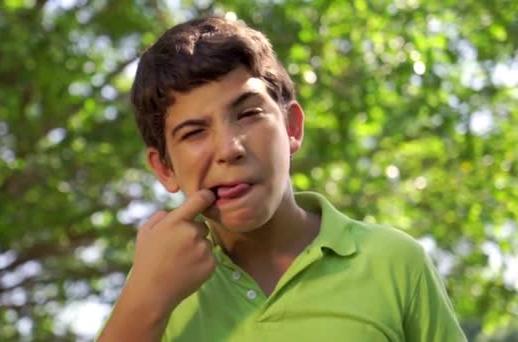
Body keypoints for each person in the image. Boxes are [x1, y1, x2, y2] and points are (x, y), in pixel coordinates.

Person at [97, 16, 467, 341]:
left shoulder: (396, 262)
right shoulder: (156, 296)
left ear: (291, 127)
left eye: (248, 114)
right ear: (164, 168)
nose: (230, 148)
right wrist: (146, 300)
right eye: (194, 132)